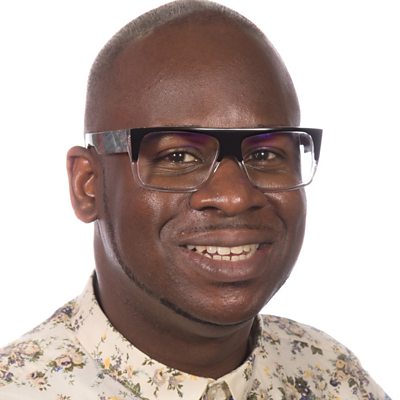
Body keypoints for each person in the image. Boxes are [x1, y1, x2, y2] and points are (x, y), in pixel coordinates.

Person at [0, 1, 391, 399]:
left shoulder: (334, 377)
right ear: (88, 186)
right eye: (178, 157)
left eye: (264, 154)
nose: (235, 197)